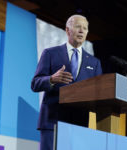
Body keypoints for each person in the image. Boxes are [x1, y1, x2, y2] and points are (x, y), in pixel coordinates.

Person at [31, 14, 102, 150]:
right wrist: (51, 79)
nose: (82, 31)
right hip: (52, 122)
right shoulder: (50, 53)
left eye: (85, 28)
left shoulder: (94, 62)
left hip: (79, 125)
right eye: (77, 27)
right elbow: (35, 84)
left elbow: (99, 93)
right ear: (67, 30)